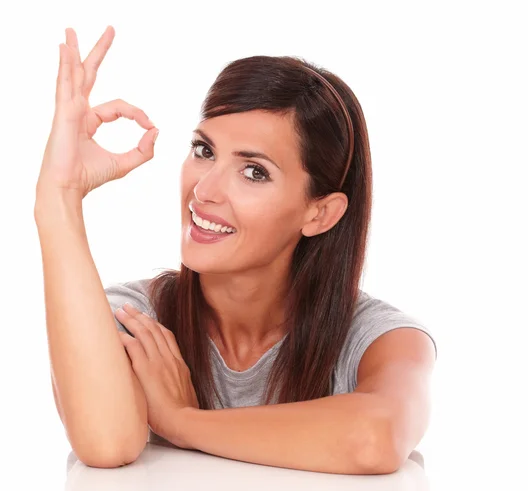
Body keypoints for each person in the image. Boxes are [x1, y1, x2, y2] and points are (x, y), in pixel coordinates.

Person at [35, 25, 437, 474]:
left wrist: (182, 422)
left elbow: (371, 438)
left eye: (254, 172)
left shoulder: (382, 339)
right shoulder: (136, 320)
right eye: (204, 150)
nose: (204, 189)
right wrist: (59, 198)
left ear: (320, 213)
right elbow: (106, 444)